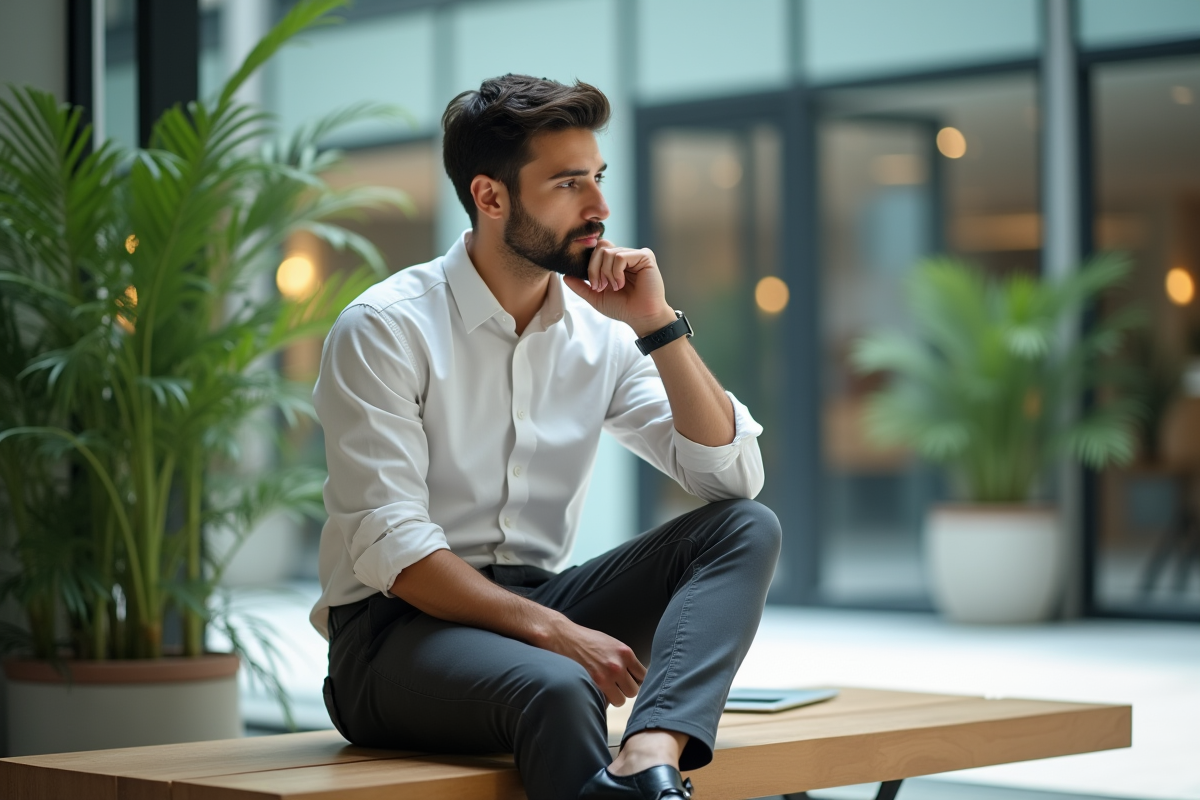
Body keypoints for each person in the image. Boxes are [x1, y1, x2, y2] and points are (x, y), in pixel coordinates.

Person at [310, 74, 781, 800]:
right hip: (392, 639)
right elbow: (394, 549)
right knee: (561, 686)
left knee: (746, 528)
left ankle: (650, 756)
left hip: (536, 606)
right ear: (491, 197)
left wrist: (657, 328)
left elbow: (731, 478)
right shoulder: (385, 329)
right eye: (568, 184)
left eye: (597, 177)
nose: (600, 207)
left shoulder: (603, 334)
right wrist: (559, 635)